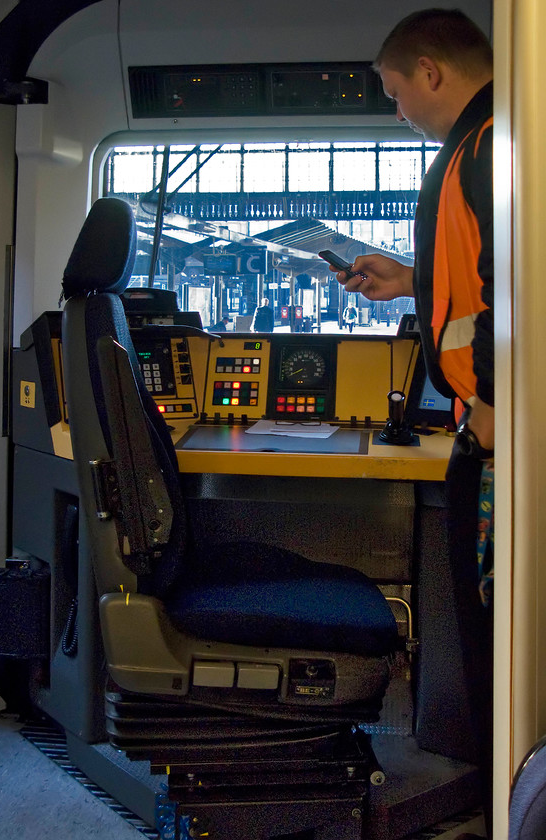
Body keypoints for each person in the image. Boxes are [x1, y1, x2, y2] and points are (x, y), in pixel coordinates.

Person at [330, 10, 494, 838]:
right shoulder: (475, 148)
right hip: (483, 425)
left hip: (501, 433)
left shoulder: (495, 143)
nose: (397, 112)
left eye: (395, 95)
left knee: (495, 622)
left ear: (429, 72)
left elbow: (514, 285)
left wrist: (496, 403)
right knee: (476, 618)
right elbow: (471, 276)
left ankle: (500, 792)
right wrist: (409, 283)